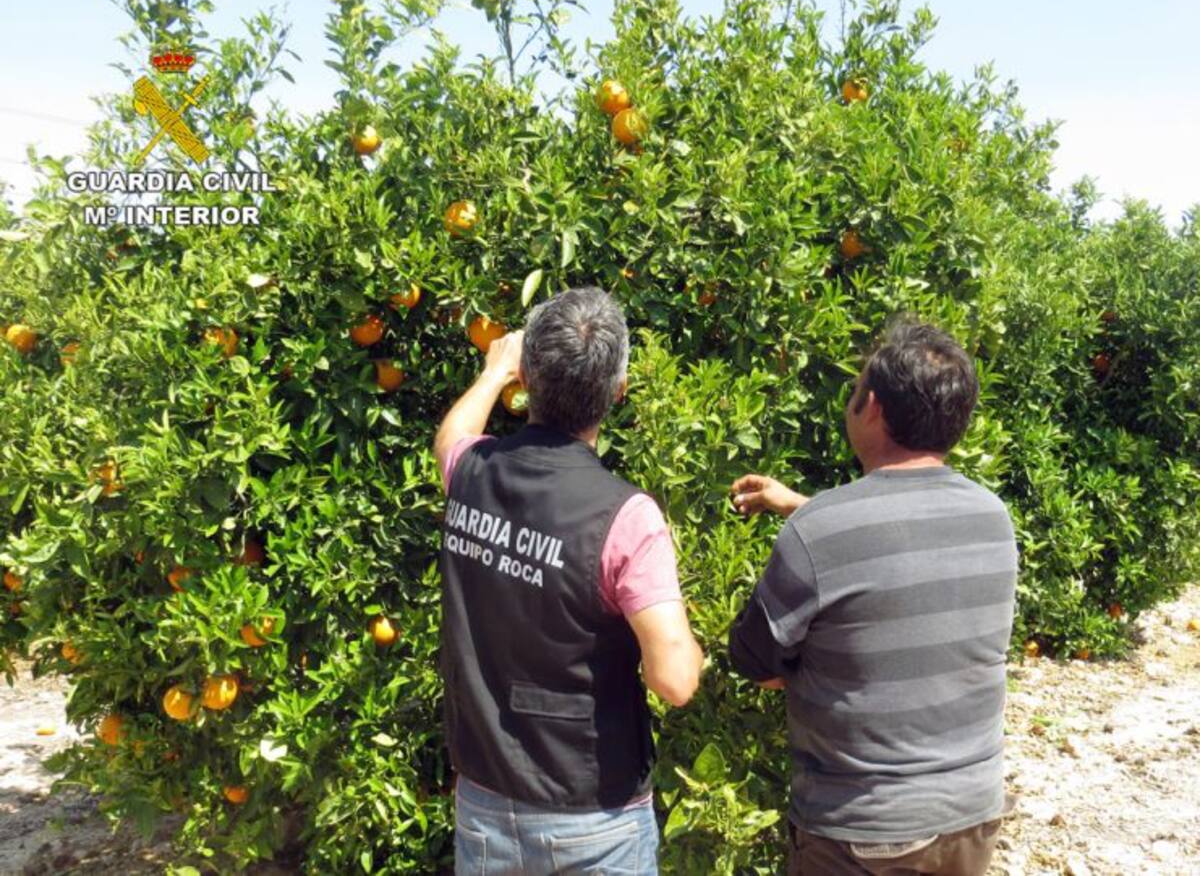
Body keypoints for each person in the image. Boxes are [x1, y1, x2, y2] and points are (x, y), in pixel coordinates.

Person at [728, 320, 1018, 876]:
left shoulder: (821, 531)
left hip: (865, 833)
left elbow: (754, 660)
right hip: (972, 816)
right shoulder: (991, 517)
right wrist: (801, 506)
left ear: (874, 408)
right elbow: (904, 543)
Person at [434, 286, 704, 875]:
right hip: (591, 820)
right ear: (619, 391)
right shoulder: (625, 517)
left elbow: (450, 438)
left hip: (484, 803)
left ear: (526, 380)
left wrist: (492, 370)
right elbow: (676, 681)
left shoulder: (473, 473)